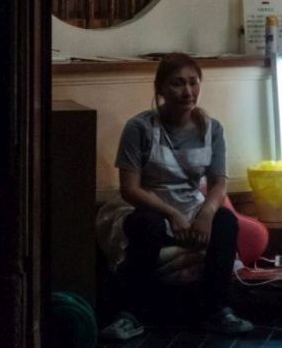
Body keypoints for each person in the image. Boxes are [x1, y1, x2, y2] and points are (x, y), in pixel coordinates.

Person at [103, 52, 253, 338]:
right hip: (148, 204)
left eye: (193, 82)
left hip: (191, 205)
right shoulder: (139, 128)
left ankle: (216, 309)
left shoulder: (212, 129)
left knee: (226, 222)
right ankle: (131, 314)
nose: (187, 91)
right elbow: (130, 188)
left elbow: (218, 183)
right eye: (177, 83)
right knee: (146, 225)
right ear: (160, 88)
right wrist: (171, 214)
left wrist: (206, 215)